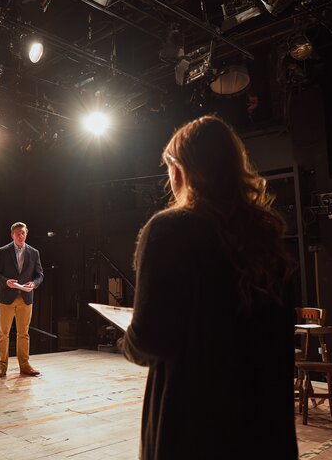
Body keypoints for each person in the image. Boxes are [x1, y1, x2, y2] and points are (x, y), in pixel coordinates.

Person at [122, 115, 298, 460]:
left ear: (180, 170)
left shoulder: (169, 229)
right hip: (265, 431)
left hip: (194, 432)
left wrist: (127, 339)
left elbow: (148, 341)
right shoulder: (268, 238)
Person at [0, 222, 44, 377]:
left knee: (23, 333)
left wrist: (34, 284)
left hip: (25, 298)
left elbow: (40, 275)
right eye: (18, 233)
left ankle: (25, 365)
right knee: (3, 333)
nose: (21, 236)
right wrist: (6, 281)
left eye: (23, 233)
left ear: (27, 233)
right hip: (6, 298)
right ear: (12, 235)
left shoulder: (34, 252)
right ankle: (2, 366)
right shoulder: (3, 251)